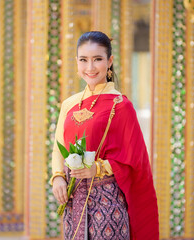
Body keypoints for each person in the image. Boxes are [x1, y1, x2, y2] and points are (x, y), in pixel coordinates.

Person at [50, 31, 159, 240]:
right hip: (74, 201)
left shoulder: (121, 105)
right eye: (84, 60)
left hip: (108, 203)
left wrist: (97, 168)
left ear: (109, 62)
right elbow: (58, 146)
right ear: (76, 62)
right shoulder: (69, 104)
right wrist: (57, 178)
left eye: (97, 59)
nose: (90, 68)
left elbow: (132, 160)